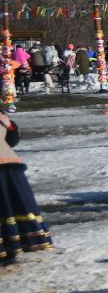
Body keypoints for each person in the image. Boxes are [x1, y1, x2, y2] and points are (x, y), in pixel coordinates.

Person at [0, 113, 53, 264]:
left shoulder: (2, 117)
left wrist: (10, 126)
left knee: (16, 207)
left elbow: (12, 140)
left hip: (10, 168)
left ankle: (15, 246)